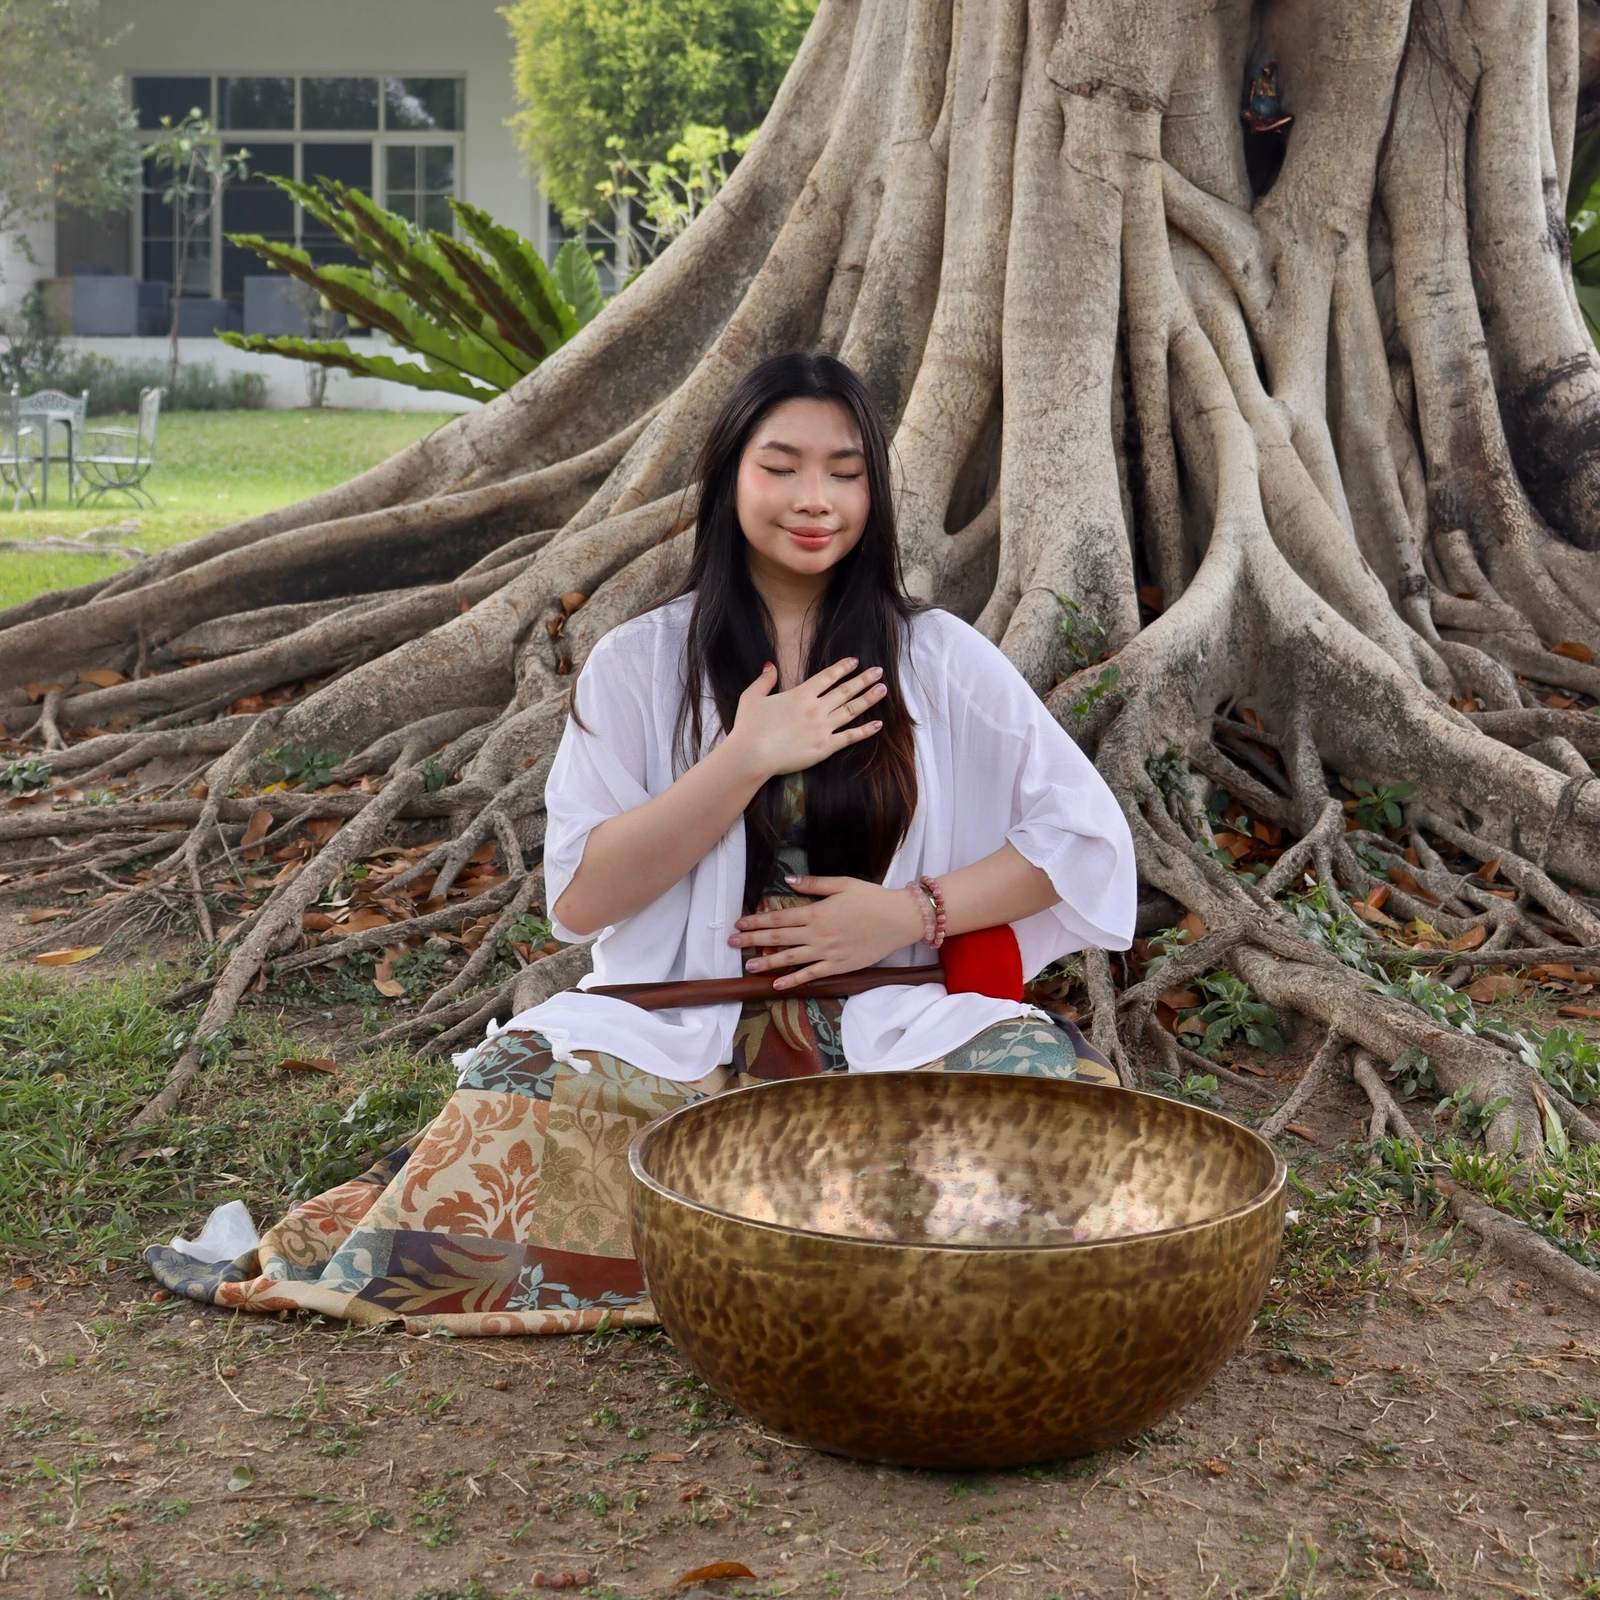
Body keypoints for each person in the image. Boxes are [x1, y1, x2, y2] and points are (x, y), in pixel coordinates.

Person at [145, 352, 1137, 1334]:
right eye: (780, 465)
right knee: (510, 1094)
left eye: (845, 471)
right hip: (675, 1039)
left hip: (891, 1029)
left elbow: (1082, 842)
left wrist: (909, 912)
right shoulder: (637, 666)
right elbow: (578, 899)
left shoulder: (940, 660)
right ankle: (829, 1252)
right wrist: (742, 759)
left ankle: (767, 1246)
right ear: (728, 479)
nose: (815, 497)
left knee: (1057, 1103)